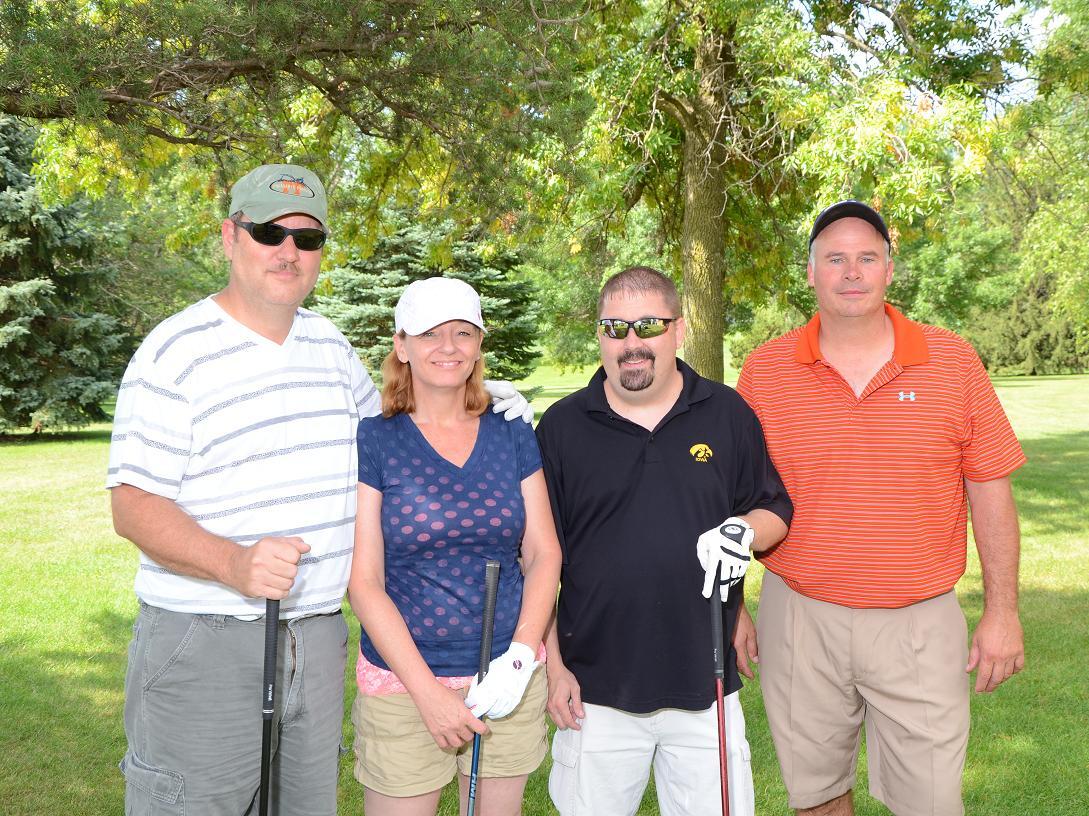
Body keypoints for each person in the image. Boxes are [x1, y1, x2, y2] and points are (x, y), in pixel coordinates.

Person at [106, 164, 532, 815]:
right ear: (230, 237)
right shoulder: (175, 351)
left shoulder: (329, 347)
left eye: (306, 239)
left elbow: (396, 432)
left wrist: (480, 398)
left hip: (318, 638)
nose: (288, 252)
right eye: (269, 231)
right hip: (210, 636)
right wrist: (233, 562)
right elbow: (131, 505)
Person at [737, 201, 1027, 816]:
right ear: (810, 272)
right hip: (799, 618)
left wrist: (1002, 611)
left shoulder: (953, 360)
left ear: (889, 269)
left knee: (930, 802)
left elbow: (991, 488)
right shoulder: (765, 369)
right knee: (816, 797)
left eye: (866, 257)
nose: (851, 272)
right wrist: (735, 607)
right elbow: (737, 499)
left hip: (918, 622)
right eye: (834, 258)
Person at [535, 266, 793, 816]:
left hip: (707, 684)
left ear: (678, 329)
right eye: (616, 328)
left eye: (649, 325)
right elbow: (535, 562)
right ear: (600, 336)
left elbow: (774, 509)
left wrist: (743, 532)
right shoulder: (560, 428)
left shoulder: (727, 413)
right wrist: (554, 668)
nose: (633, 343)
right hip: (593, 690)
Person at [347, 276, 562, 816]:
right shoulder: (374, 438)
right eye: (430, 334)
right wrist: (428, 694)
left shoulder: (512, 432)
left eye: (463, 333)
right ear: (402, 346)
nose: (448, 347)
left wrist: (519, 658)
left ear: (479, 345)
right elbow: (365, 581)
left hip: (506, 680)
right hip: (403, 684)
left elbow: (543, 553)